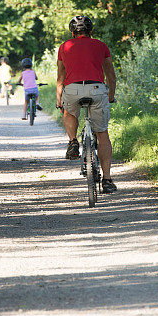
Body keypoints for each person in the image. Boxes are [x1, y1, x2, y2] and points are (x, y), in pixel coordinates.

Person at [56, 15, 117, 194]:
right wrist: (110, 97)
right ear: (91, 31)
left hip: (73, 89)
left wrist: (60, 100)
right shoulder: (101, 46)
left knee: (69, 112)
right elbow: (111, 76)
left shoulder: (64, 46)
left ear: (72, 32)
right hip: (97, 89)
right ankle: (107, 180)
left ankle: (73, 141)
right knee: (103, 134)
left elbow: (60, 78)